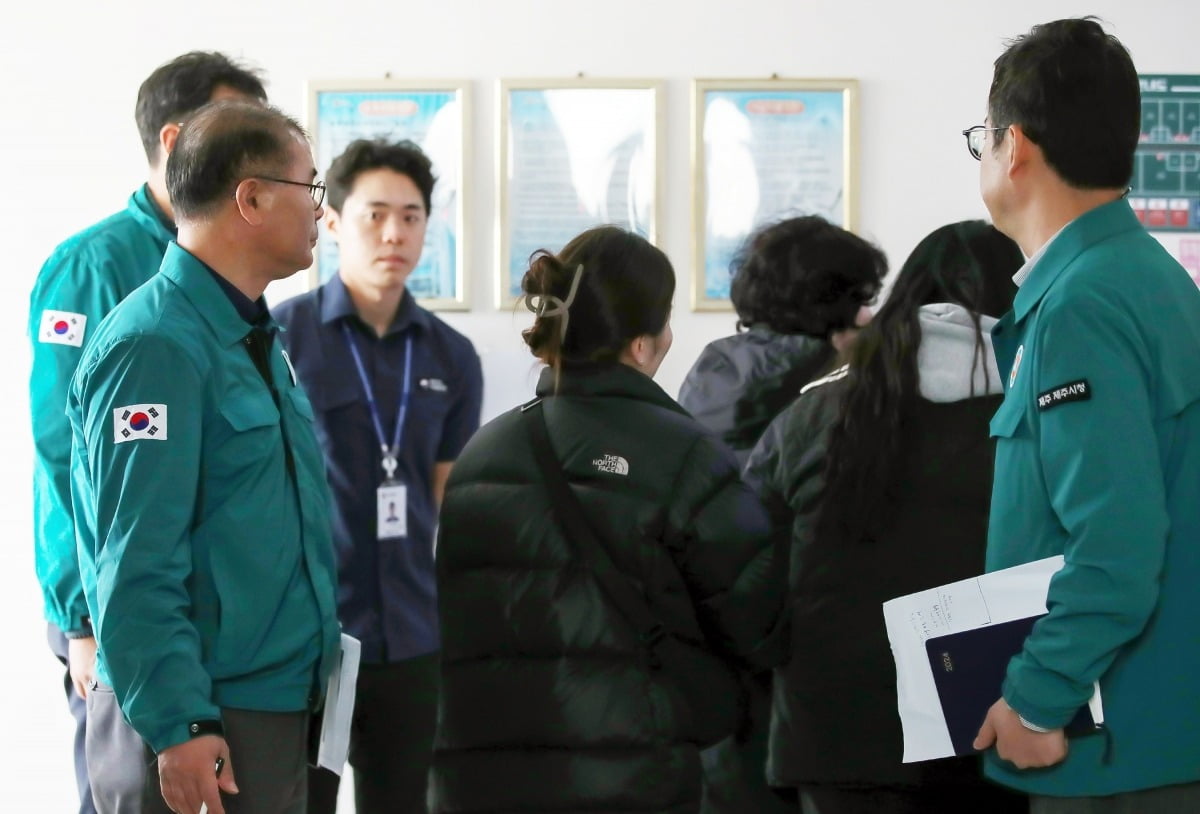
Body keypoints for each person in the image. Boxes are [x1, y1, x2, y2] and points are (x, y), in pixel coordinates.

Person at [429, 226, 786, 814]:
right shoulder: (688, 458)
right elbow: (757, 622)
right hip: (636, 775)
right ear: (643, 344)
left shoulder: (481, 456)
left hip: (482, 777)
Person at [67, 100, 340, 814]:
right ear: (250, 198)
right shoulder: (155, 346)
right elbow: (135, 561)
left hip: (270, 707)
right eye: (310, 187)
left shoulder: (247, 333)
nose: (321, 209)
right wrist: (179, 723)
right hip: (208, 720)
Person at [964, 17, 1200, 811]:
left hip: (1115, 750)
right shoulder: (1142, 279)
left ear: (1016, 146)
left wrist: (1037, 696)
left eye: (983, 140)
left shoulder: (1083, 304)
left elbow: (1116, 540)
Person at [27, 51, 266, 814]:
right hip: (115, 610)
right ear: (174, 141)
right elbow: (63, 456)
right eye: (238, 136)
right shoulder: (91, 267)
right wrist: (80, 618)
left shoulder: (231, 268)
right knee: (125, 794)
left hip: (203, 612)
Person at [745, 220, 1027, 813]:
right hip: (990, 732)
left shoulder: (814, 412)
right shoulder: (1039, 420)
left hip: (834, 736)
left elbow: (745, 573)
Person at [274, 138, 483, 814]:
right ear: (331, 222)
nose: (395, 233)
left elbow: (443, 495)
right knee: (302, 802)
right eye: (374, 214)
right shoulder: (280, 339)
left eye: (413, 216)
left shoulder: (452, 356)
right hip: (311, 638)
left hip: (413, 639)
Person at [679, 215, 885, 466]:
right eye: (861, 301)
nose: (869, 317)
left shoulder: (710, 370)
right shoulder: (830, 400)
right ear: (829, 305)